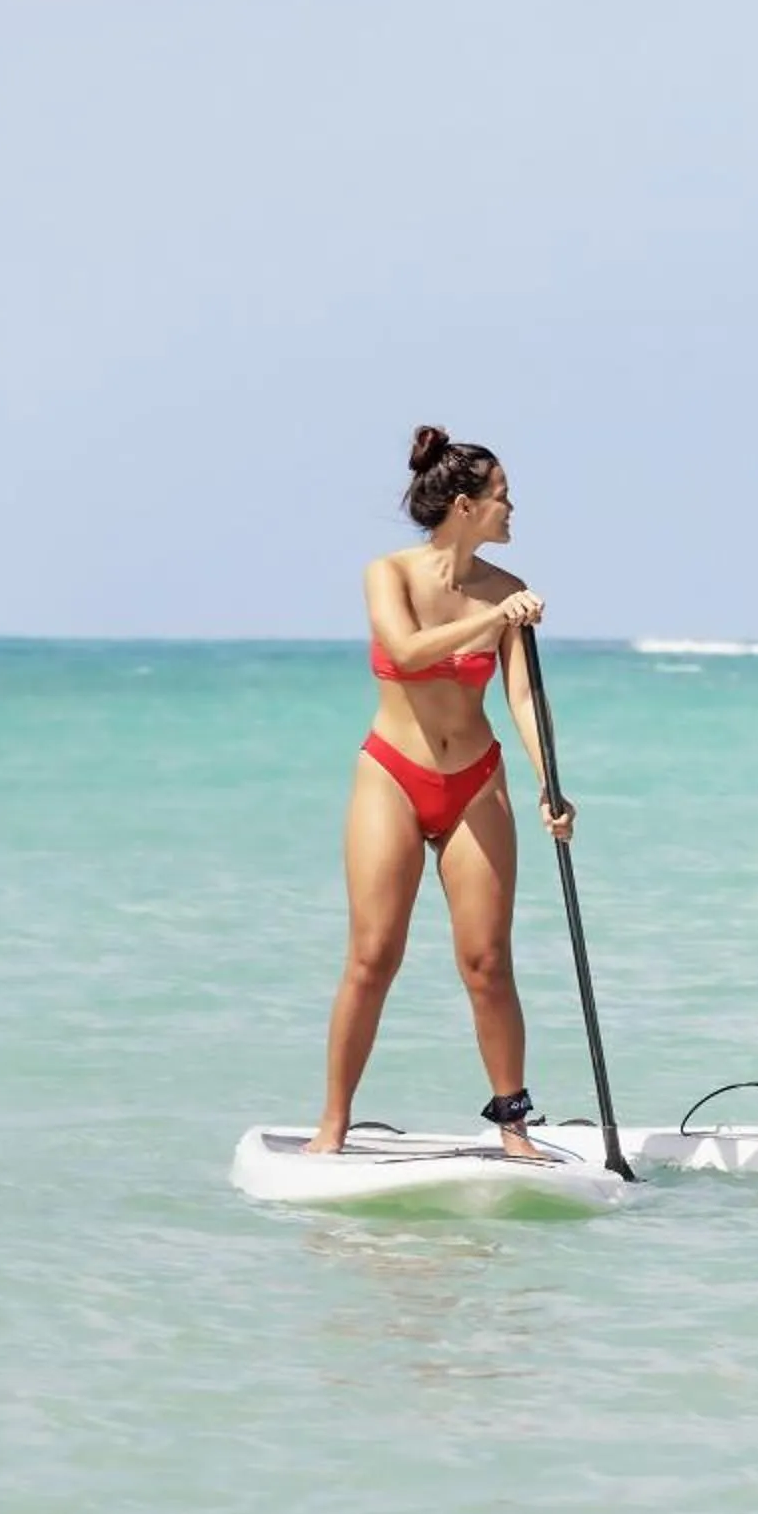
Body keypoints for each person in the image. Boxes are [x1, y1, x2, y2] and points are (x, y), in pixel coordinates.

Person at [304, 425, 573, 1157]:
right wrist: (494, 619)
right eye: (502, 498)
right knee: (373, 956)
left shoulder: (508, 590)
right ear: (464, 506)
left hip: (476, 779)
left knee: (487, 962)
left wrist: (551, 780)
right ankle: (333, 1121)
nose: (512, 509)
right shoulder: (388, 574)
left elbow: (522, 698)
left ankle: (514, 1126)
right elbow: (407, 650)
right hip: (392, 773)